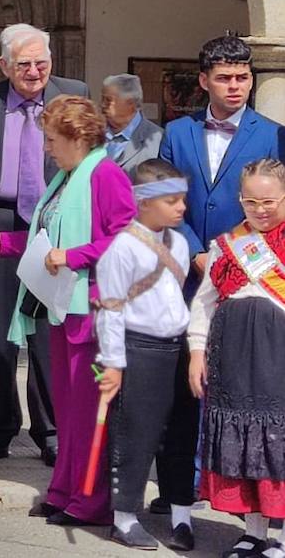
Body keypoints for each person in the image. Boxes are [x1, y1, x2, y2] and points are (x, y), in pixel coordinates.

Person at [0, 23, 88, 467]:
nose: (34, 71)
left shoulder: (73, 94)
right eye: (24, 64)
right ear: (4, 65)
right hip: (1, 223)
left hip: (54, 224)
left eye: (41, 62)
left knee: (49, 334)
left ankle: (50, 432)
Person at [0, 95, 135, 528]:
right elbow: (45, 239)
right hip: (64, 307)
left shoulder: (105, 173)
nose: (47, 148)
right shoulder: (69, 175)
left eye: (53, 140)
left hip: (93, 308)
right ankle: (65, 490)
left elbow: (126, 238)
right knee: (69, 411)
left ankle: (91, 500)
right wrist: (0, 244)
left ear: (77, 137)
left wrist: (75, 256)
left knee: (89, 411)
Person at [96, 159, 197, 552]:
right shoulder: (122, 249)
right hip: (140, 349)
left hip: (178, 346)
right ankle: (124, 516)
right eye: (172, 201)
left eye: (182, 200)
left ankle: (181, 515)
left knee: (181, 433)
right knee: (135, 434)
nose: (182, 208)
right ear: (144, 202)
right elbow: (111, 310)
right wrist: (114, 362)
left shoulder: (181, 243)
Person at [189, 158, 285, 558]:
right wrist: (196, 352)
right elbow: (203, 304)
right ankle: (253, 531)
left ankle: (279, 536)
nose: (260, 210)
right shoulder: (227, 246)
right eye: (251, 202)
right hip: (232, 361)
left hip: (276, 358)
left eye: (270, 202)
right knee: (243, 444)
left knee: (276, 444)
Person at [160, 35, 283, 276]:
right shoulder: (177, 133)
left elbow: (279, 208)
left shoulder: (274, 136)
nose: (235, 86)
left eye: (242, 78)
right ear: (204, 81)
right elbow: (164, 198)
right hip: (186, 271)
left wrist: (238, 255)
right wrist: (195, 253)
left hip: (251, 270)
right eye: (224, 79)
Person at [101, 74, 162, 175]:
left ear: (131, 103)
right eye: (102, 99)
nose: (102, 104)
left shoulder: (158, 139)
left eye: (108, 100)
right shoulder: (93, 134)